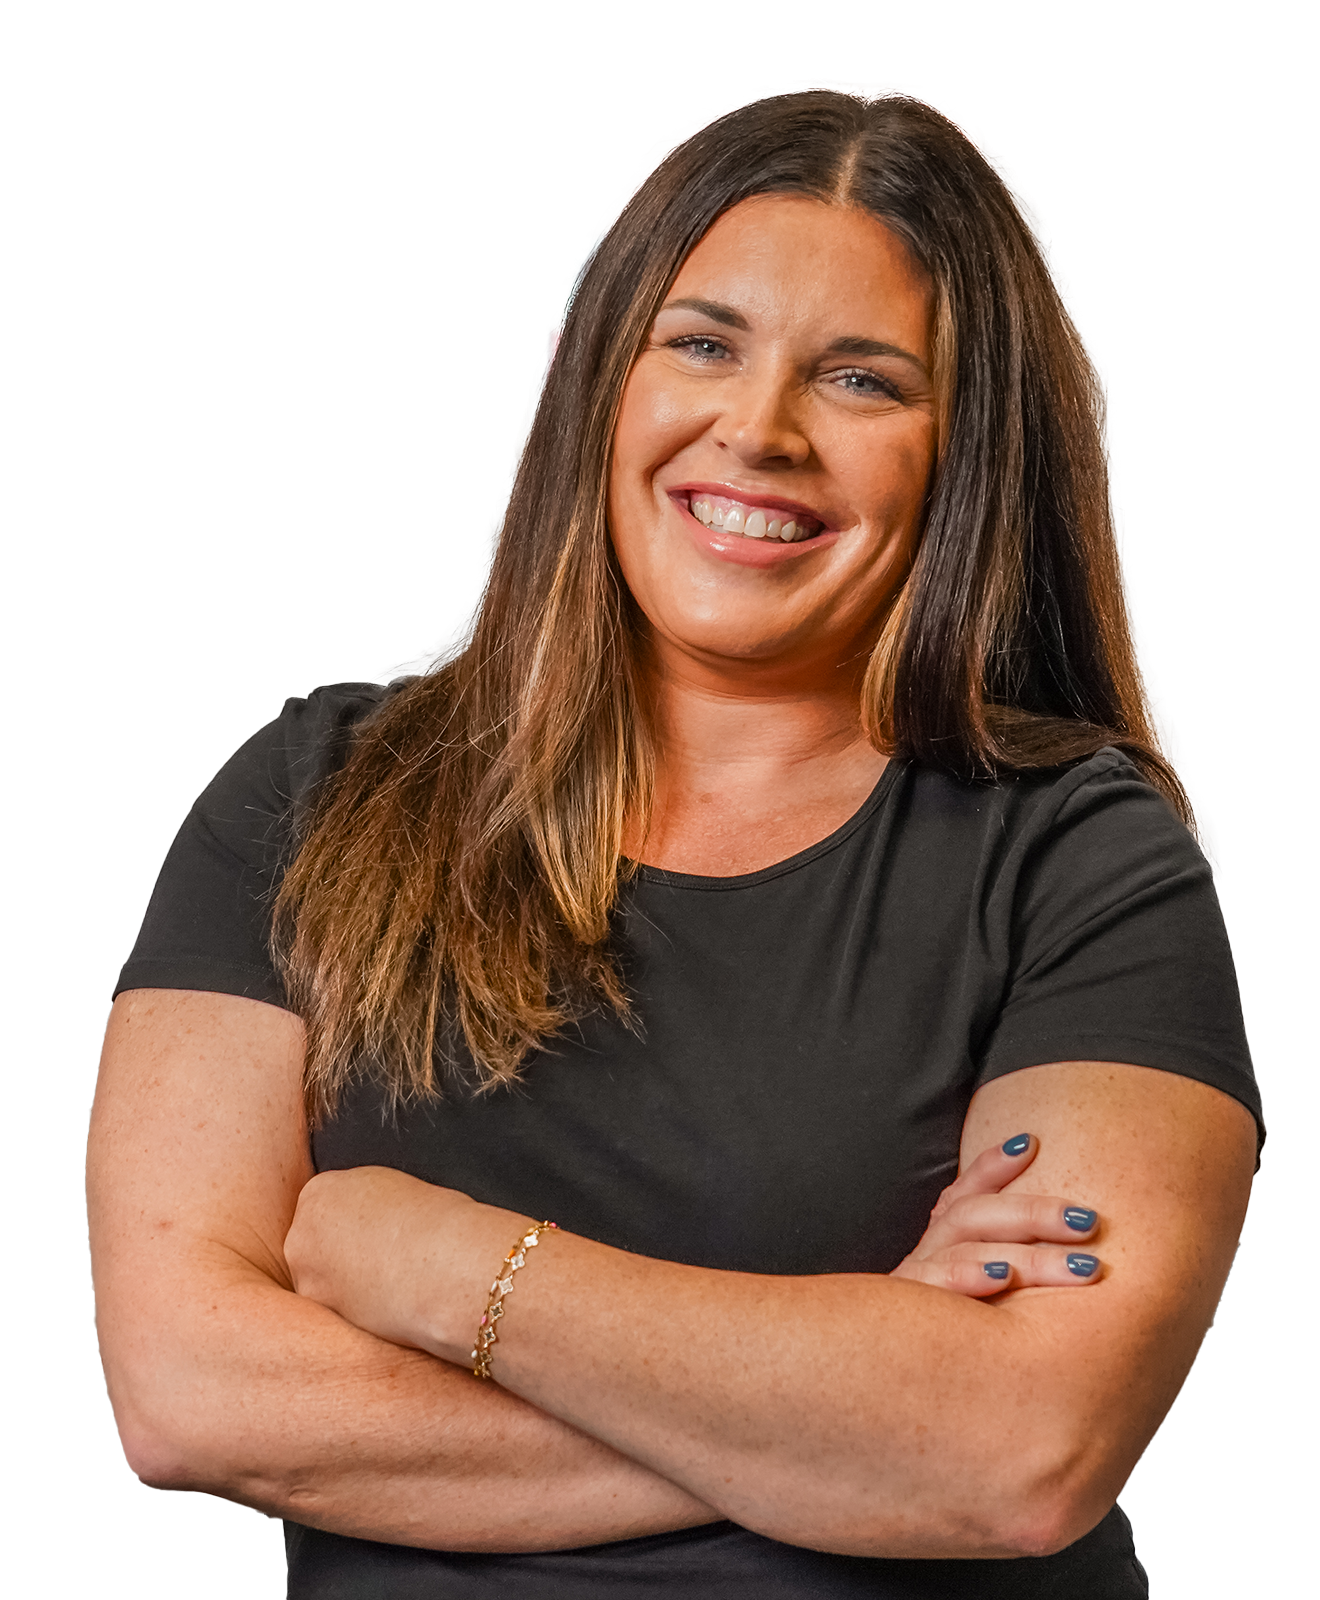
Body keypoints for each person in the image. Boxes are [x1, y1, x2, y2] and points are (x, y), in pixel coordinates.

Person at [87, 87, 1262, 1599]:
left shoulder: (1083, 859)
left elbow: (1022, 1453)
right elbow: (189, 1395)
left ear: (967, 457)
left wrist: (455, 1274)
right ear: (600, 382)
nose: (759, 431)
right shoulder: (312, 800)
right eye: (703, 343)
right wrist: (852, 1415)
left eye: (861, 379)